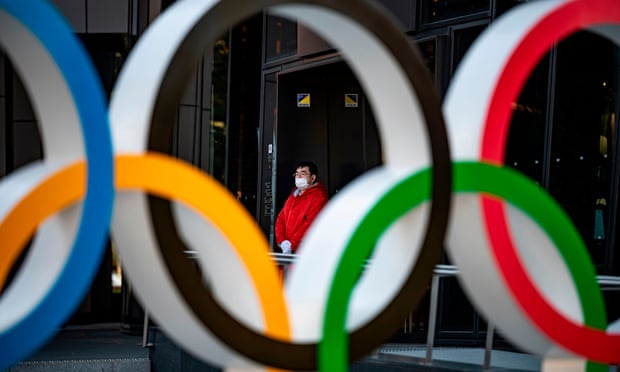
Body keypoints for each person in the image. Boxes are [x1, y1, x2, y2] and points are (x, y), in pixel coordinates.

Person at [275, 160, 328, 254]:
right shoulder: (293, 195)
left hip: (304, 253)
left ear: (312, 178)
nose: (298, 176)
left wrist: (292, 244)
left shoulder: (319, 196)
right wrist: (282, 241)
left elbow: (311, 224)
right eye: (296, 173)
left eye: (303, 173)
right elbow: (280, 219)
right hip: (288, 251)